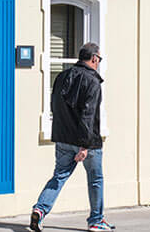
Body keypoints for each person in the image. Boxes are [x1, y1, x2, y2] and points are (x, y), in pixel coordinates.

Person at [30, 42, 115, 232]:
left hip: (63, 137)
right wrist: (84, 146)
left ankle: (40, 209)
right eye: (99, 59)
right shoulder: (92, 81)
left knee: (59, 176)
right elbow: (88, 114)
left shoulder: (62, 76)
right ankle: (96, 221)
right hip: (87, 141)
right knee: (95, 179)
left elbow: (55, 106)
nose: (99, 62)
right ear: (94, 58)